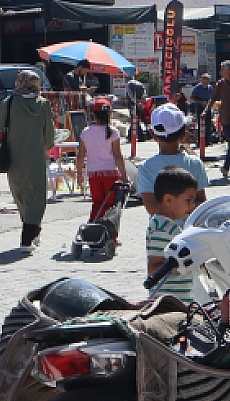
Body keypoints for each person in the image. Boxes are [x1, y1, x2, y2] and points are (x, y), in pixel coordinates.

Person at [0, 70, 55, 250]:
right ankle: (28, 236)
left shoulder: (10, 102)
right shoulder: (44, 104)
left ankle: (30, 231)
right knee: (36, 197)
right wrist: (46, 147)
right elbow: (50, 136)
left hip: (14, 158)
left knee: (20, 194)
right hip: (36, 158)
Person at [136, 103, 208, 213]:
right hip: (191, 229)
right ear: (184, 134)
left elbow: (152, 209)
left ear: (153, 135)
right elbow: (202, 203)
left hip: (160, 230)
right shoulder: (195, 163)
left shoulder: (145, 168)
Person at [144, 167, 202, 302]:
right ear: (168, 199)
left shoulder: (166, 225)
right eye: (188, 200)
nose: (192, 205)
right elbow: (154, 268)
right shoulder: (163, 229)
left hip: (178, 301)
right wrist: (188, 263)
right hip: (170, 304)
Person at [77, 99, 131, 223]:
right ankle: (110, 235)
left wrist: (79, 173)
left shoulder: (86, 132)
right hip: (111, 173)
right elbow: (118, 155)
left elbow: (81, 156)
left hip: (93, 173)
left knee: (97, 203)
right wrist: (124, 175)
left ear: (94, 114)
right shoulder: (113, 132)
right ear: (109, 114)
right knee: (110, 205)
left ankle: (92, 228)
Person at [189, 74, 214, 157]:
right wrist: (201, 102)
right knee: (201, 124)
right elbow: (192, 98)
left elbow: (212, 97)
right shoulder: (198, 88)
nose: (205, 82)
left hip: (208, 107)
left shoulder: (210, 88)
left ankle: (207, 140)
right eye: (204, 80)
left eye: (207, 81)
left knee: (209, 124)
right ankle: (200, 141)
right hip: (199, 107)